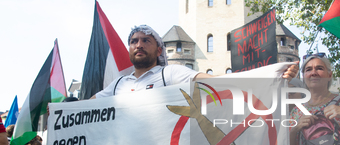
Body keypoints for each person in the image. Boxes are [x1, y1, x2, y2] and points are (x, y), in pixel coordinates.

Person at [91, 25, 299, 99]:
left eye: (146, 41)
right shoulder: (119, 84)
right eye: (134, 41)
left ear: (160, 49)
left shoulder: (170, 74)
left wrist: (272, 75)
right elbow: (85, 108)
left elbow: (214, 81)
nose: (139, 45)